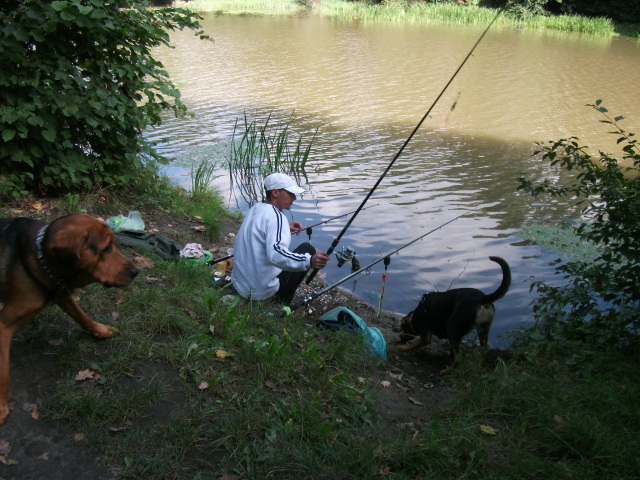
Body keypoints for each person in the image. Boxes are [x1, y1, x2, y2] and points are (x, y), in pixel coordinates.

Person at [230, 173, 330, 305]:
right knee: (308, 249)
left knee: (300, 252)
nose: (294, 198)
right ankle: (281, 303)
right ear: (275, 193)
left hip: (241, 286)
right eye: (290, 194)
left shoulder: (257, 208)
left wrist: (286, 228)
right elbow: (276, 255)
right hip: (260, 294)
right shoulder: (277, 217)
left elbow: (258, 231)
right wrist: (309, 260)